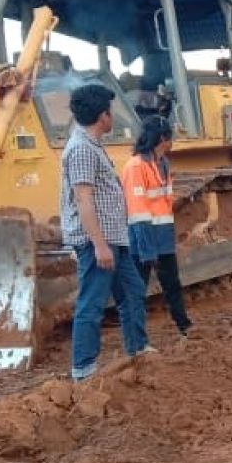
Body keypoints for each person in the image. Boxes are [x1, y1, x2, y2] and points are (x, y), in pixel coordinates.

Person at [60, 84, 153, 381]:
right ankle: (84, 370)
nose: (112, 117)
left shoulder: (92, 146)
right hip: (98, 243)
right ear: (103, 116)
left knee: (133, 292)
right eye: (110, 112)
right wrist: (99, 246)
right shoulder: (82, 149)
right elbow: (83, 199)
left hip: (114, 239)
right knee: (92, 303)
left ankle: (138, 349)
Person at [121, 116, 193, 337]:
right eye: (171, 139)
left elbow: (163, 203)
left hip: (162, 237)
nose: (172, 144)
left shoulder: (162, 164)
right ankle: (136, 340)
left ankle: (184, 325)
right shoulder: (135, 167)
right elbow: (138, 210)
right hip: (143, 239)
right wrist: (147, 249)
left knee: (172, 283)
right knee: (137, 290)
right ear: (163, 138)